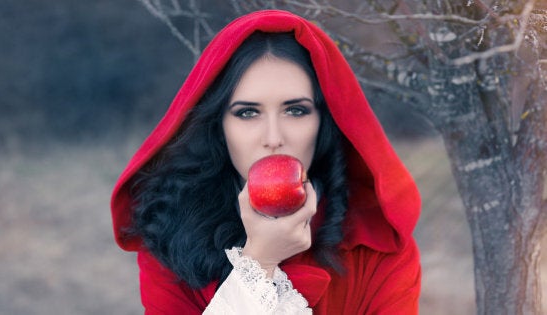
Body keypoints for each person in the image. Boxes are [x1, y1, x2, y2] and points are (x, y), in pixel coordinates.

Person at [111, 10, 421, 314]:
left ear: (324, 122)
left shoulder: (378, 251)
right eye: (247, 113)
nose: (273, 138)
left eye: (296, 111)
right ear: (219, 128)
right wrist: (259, 262)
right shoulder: (170, 240)